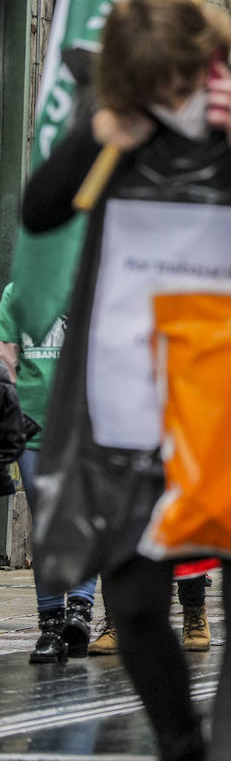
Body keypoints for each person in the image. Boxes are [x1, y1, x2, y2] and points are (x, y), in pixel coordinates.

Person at [22, 0, 231, 761]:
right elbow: (39, 210)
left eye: (181, 81)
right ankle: (184, 757)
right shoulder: (114, 114)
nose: (171, 99)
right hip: (131, 403)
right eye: (153, 87)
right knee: (132, 599)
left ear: (209, 59)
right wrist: (98, 135)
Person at [0, 284, 95, 664]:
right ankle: (51, 623)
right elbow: (6, 354)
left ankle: (80, 612)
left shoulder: (92, 281)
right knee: (46, 525)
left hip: (86, 423)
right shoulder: (17, 293)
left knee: (81, 517)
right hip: (33, 423)